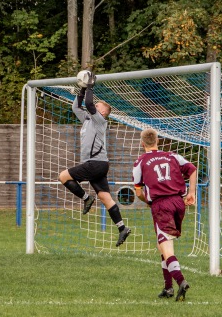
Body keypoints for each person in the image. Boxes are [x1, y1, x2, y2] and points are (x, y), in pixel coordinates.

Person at [58, 71, 131, 247]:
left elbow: (89, 104)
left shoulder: (100, 121)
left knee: (63, 176)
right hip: (99, 165)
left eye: (99, 107)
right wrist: (81, 90)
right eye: (96, 106)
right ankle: (122, 228)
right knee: (106, 198)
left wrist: (90, 85)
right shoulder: (87, 119)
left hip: (95, 163)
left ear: (103, 113)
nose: (94, 107)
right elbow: (77, 107)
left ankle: (86, 198)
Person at [133, 128, 197, 302]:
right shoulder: (172, 156)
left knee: (166, 247)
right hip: (178, 202)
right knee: (162, 244)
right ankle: (168, 288)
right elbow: (192, 169)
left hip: (162, 205)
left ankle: (180, 281)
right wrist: (192, 193)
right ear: (158, 141)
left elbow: (138, 191)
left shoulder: (140, 161)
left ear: (142, 143)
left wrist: (148, 202)